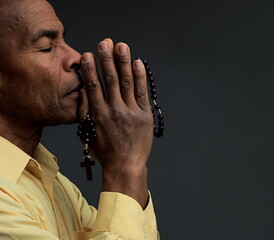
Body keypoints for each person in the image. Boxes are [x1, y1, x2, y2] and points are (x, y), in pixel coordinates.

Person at [0, 0, 159, 239]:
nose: (75, 57)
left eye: (63, 39)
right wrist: (124, 167)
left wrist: (131, 160)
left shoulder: (57, 186)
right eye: (46, 47)